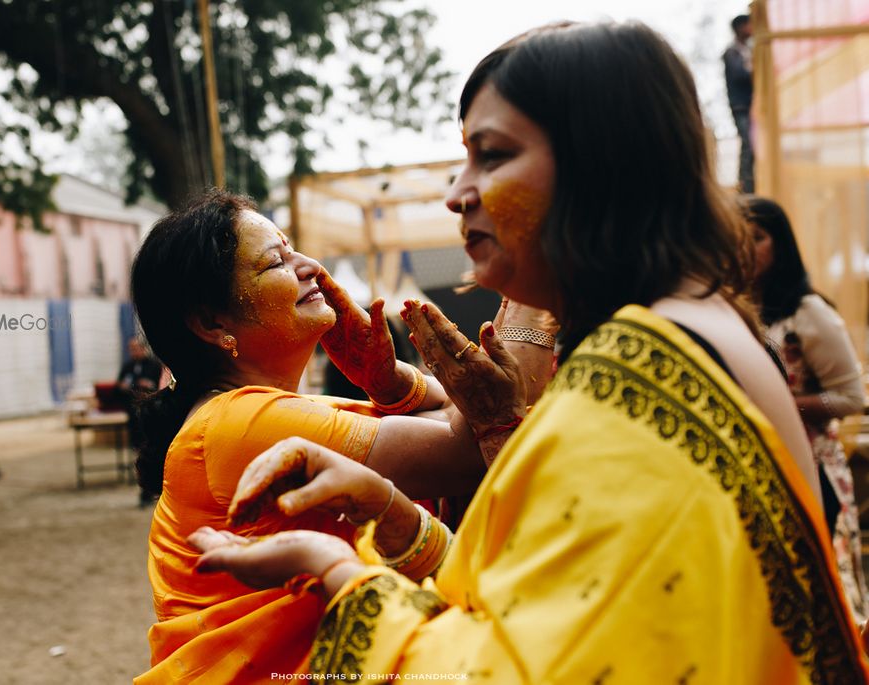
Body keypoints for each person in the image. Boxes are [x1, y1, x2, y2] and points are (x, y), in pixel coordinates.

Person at [189, 22, 869, 683]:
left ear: (597, 164)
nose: (457, 193)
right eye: (275, 262)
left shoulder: (635, 374)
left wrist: (339, 574)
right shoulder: (690, 326)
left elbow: (524, 661)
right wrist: (390, 489)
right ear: (212, 324)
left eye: (492, 155)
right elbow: (560, 583)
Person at [128, 189, 554, 683]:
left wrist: (391, 381)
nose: (310, 266)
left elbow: (468, 424)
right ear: (211, 323)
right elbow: (475, 444)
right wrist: (534, 266)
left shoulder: (276, 410)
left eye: (294, 249)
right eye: (276, 262)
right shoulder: (235, 424)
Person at [747, 194, 869, 625]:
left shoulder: (810, 314)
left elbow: (853, 398)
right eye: (737, 236)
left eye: (757, 237)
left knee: (826, 593)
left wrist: (782, 403)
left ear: (781, 245)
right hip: (761, 470)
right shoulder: (736, 310)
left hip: (814, 469)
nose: (746, 246)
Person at [116, 337, 164, 506]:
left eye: (136, 348)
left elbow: (161, 387)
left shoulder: (154, 365)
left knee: (150, 450)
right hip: (133, 414)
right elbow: (119, 386)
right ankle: (144, 488)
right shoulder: (127, 366)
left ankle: (149, 491)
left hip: (151, 413)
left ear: (143, 349)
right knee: (137, 449)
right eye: (131, 349)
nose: (134, 352)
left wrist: (148, 385)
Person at [724, 13, 754, 193]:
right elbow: (739, 75)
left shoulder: (744, 50)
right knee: (748, 144)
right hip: (741, 106)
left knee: (750, 145)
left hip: (748, 105)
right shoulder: (732, 52)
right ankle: (745, 186)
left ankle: (748, 183)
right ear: (740, 27)